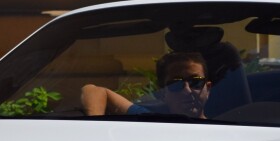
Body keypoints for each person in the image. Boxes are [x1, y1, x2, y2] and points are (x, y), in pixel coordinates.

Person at [82, 51, 211, 119]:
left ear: (208, 88)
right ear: (163, 93)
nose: (187, 90)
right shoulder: (151, 119)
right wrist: (94, 124)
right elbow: (94, 90)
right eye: (176, 84)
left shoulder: (226, 130)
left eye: (196, 82)